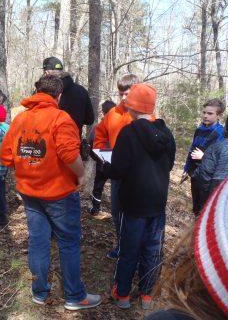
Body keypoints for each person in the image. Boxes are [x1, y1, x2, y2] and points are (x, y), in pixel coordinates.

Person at [0, 74, 102, 311]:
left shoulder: (20, 119)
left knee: (38, 241)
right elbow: (69, 155)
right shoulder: (60, 118)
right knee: (68, 242)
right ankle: (75, 296)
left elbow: (6, 157)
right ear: (59, 95)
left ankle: (39, 293)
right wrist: (81, 175)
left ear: (37, 92)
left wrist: (27, 165)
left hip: (29, 192)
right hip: (59, 194)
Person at [146, 141, 228, 320]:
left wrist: (199, 206)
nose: (205, 115)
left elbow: (203, 176)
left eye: (209, 112)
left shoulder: (221, 143)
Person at [104, 83, 176, 311]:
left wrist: (104, 166)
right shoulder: (166, 134)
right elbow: (169, 165)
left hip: (133, 204)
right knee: (152, 250)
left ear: (132, 107)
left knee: (128, 249)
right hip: (157, 203)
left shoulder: (128, 133)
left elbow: (118, 170)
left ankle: (123, 294)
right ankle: (147, 295)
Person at [93, 74, 139, 259]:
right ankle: (122, 246)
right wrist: (105, 153)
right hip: (117, 173)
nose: (124, 98)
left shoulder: (145, 115)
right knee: (116, 211)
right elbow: (100, 135)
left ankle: (135, 250)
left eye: (128, 93)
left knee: (135, 214)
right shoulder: (113, 114)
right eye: (121, 94)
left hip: (138, 176)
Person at [182, 99, 225, 216]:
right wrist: (186, 168)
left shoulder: (221, 133)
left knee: (206, 209)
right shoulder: (199, 130)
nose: (205, 116)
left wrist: (204, 156)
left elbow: (221, 157)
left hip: (209, 178)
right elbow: (192, 149)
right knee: (196, 209)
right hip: (196, 174)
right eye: (204, 112)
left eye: (210, 113)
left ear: (219, 115)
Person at [42, 57, 94, 136]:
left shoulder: (45, 92)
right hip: (74, 142)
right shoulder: (81, 91)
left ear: (47, 72)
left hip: (51, 143)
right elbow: (89, 120)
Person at [87, 100, 116, 216]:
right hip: (116, 160)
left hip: (103, 160)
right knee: (116, 186)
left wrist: (97, 158)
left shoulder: (98, 127)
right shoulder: (123, 126)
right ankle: (116, 212)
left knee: (98, 186)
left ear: (103, 112)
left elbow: (91, 145)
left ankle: (95, 209)